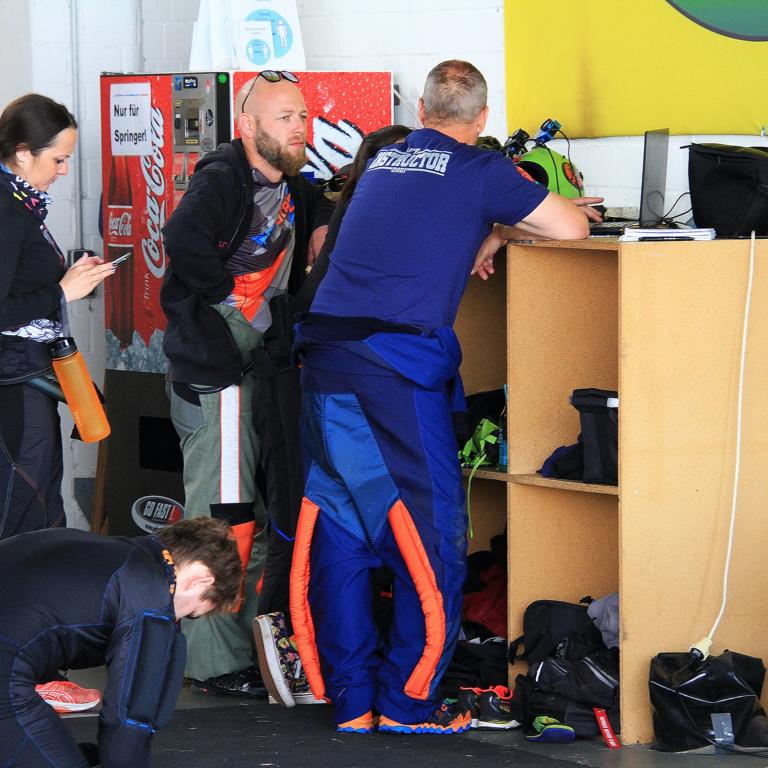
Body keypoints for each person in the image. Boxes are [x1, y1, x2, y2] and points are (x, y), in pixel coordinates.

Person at [287, 60, 592, 735]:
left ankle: (353, 703)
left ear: (422, 111)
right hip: (392, 371)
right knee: (432, 533)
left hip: (324, 359)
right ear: (482, 119)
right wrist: (501, 228)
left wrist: (486, 230)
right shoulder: (483, 170)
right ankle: (407, 705)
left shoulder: (385, 159)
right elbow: (573, 228)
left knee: (343, 524)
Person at [160, 70, 333, 697]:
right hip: (219, 381)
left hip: (251, 374)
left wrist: (320, 226)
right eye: (284, 117)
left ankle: (239, 653)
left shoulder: (289, 183)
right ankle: (210, 662)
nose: (299, 127)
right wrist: (225, 296)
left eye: (303, 116)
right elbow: (180, 237)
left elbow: (319, 205)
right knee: (223, 519)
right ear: (248, 125)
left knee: (251, 516)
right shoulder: (223, 178)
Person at [250, 124, 413, 709]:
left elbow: (314, 189)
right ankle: (288, 653)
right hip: (313, 384)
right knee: (304, 525)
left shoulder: (353, 209)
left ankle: (309, 662)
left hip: (306, 377)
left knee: (310, 524)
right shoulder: (383, 221)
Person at [0, 517, 243, 768]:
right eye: (192, 613)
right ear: (200, 580)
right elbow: (129, 719)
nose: (179, 620)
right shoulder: (147, 586)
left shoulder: (74, 545)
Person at [0, 93, 116, 555]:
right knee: (27, 520)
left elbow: (18, 286)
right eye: (58, 159)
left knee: (40, 512)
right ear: (24, 153)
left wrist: (69, 277)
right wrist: (62, 292)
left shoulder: (18, 203)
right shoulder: (5, 212)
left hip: (24, 375)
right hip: (12, 383)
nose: (64, 170)